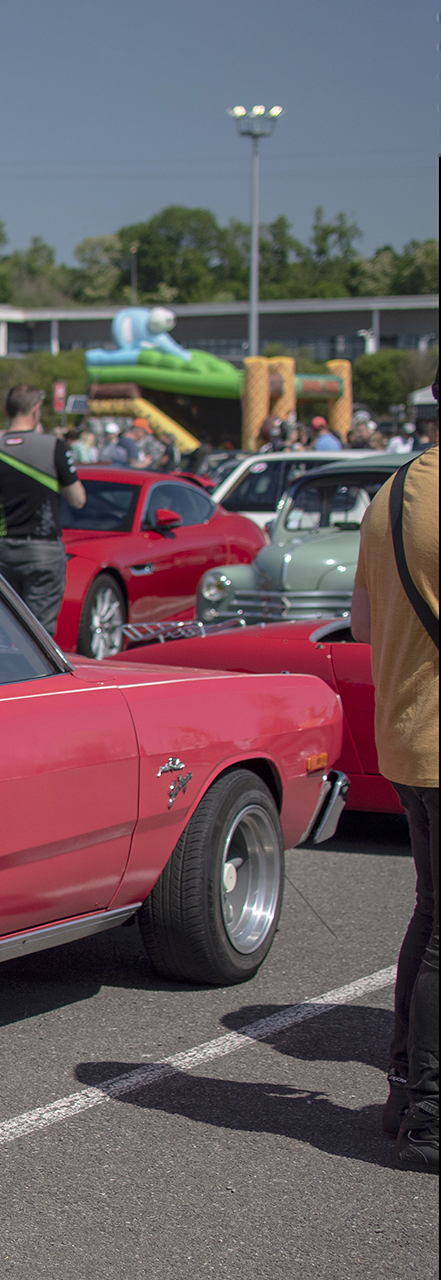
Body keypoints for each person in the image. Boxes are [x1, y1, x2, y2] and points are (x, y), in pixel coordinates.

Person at [350, 442, 439, 1173]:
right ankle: (429, 1116)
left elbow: (363, 627)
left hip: (407, 739)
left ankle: (409, 1094)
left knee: (432, 913)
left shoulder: (391, 493)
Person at [0, 385, 86, 634]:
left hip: (4, 549)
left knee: (3, 628)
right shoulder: (54, 446)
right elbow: (78, 499)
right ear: (36, 410)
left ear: (6, 410)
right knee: (40, 633)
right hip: (43, 549)